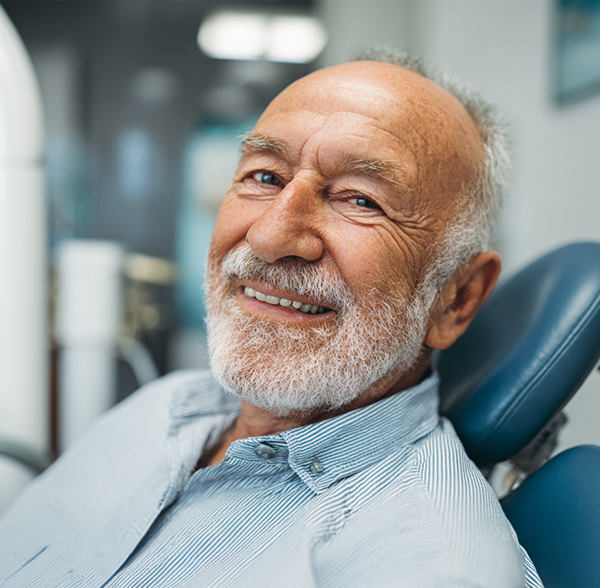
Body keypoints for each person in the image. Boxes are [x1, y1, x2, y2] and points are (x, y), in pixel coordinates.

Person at [0, 50, 543, 587]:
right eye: (263, 176)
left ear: (457, 298)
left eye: (360, 199)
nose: (269, 235)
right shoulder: (160, 407)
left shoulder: (425, 558)